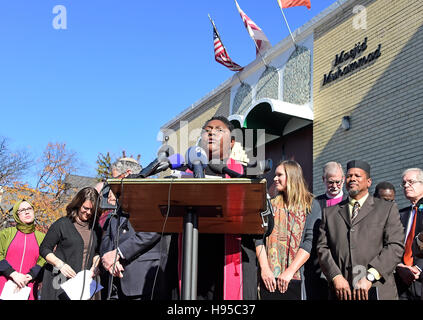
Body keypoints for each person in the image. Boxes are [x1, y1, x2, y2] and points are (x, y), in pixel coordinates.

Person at [176, 115, 258, 300]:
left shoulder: (245, 174)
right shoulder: (184, 176)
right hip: (194, 262)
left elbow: (262, 223)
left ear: (232, 142)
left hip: (234, 259)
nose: (211, 133)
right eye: (207, 130)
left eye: (219, 130)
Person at [317, 160, 404, 300]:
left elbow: (395, 246)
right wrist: (335, 276)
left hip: (377, 289)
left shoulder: (386, 209)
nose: (353, 179)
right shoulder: (330, 213)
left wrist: (370, 276)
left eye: (358, 176)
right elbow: (322, 248)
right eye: (350, 176)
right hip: (342, 291)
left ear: (369, 182)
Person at [100, 157, 174, 300]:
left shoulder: (152, 198)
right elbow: (107, 237)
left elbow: (152, 230)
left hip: (141, 282)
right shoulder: (117, 207)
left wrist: (119, 253)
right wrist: (109, 258)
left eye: (114, 178)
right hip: (114, 282)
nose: (111, 184)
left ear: (127, 174)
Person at [255, 160, 322, 300]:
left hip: (297, 277)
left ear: (291, 176)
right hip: (269, 278)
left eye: (279, 175)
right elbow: (258, 237)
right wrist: (265, 269)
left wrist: (289, 272)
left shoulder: (311, 205)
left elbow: (309, 242)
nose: (274, 179)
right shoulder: (270, 205)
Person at [39, 187, 102, 300]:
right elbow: (44, 249)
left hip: (84, 285)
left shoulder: (96, 228)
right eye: (85, 208)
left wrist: (95, 266)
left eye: (92, 210)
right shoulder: (62, 224)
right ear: (78, 204)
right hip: (61, 281)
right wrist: (60, 264)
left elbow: (97, 252)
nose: (88, 212)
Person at [0, 200, 46, 300]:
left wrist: (31, 275)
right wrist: (13, 274)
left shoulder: (42, 237)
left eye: (29, 208)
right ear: (17, 215)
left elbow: (44, 259)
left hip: (28, 288)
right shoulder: (6, 233)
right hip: (4, 286)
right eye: (22, 210)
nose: (27, 212)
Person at [395, 168, 423, 300]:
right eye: (404, 183)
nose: (406, 185)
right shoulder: (401, 214)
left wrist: (419, 268)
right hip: (402, 281)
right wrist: (399, 266)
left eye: (411, 182)